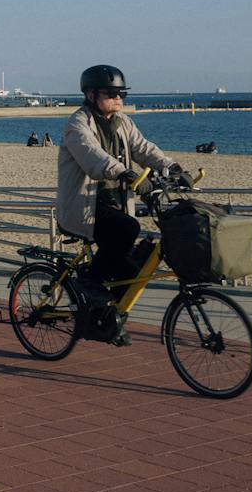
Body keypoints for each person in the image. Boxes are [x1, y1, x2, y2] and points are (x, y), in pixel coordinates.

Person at [56, 65, 190, 343]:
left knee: (131, 270)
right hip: (85, 208)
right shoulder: (77, 125)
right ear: (91, 95)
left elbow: (143, 148)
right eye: (112, 94)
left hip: (116, 203)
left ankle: (105, 319)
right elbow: (92, 157)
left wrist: (172, 167)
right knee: (127, 229)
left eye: (122, 95)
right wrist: (125, 173)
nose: (119, 100)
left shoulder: (122, 122)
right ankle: (88, 280)